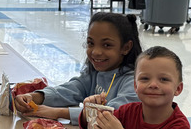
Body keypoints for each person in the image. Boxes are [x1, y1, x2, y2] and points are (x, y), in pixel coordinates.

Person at [80, 46, 191, 129]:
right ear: (135, 86)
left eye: (164, 79)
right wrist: (89, 113)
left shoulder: (179, 125)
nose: (153, 84)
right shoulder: (127, 111)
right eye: (145, 78)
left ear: (178, 88)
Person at [14, 12, 142, 123]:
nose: (96, 52)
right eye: (91, 43)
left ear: (126, 48)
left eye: (107, 45)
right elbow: (70, 90)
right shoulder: (96, 72)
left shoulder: (134, 82)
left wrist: (58, 112)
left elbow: (109, 114)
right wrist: (34, 97)